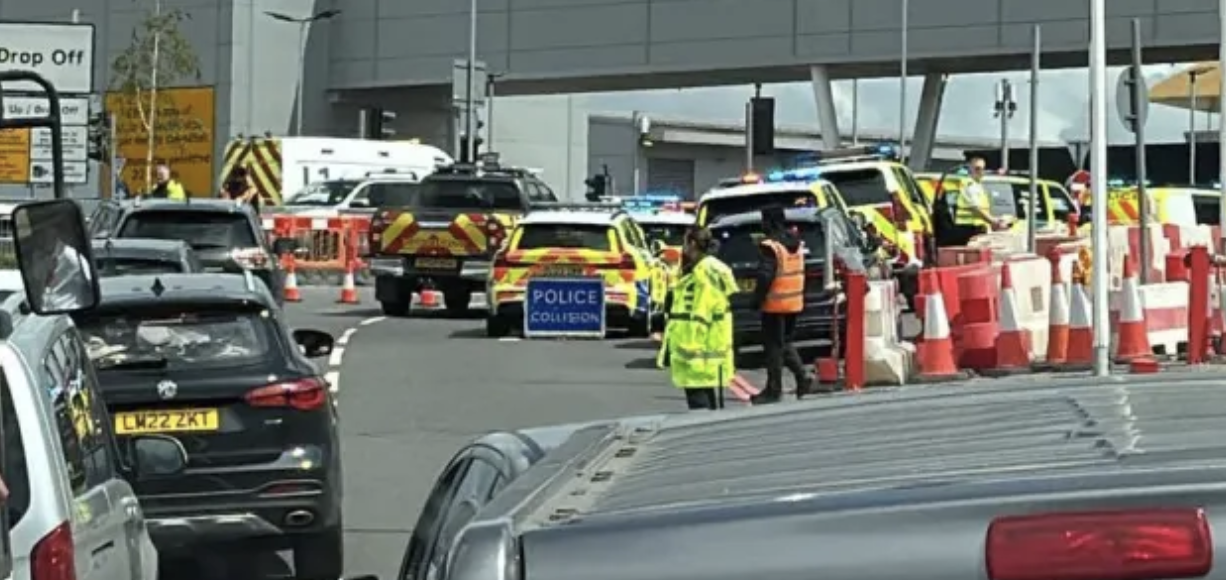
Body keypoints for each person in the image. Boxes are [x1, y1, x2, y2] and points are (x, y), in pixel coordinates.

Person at [656, 227, 739, 411]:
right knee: (707, 399)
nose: (683, 247)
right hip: (705, 346)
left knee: (699, 404)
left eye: (685, 242)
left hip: (696, 348)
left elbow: (699, 313)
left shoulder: (703, 272)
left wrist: (688, 345)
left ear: (692, 243)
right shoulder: (707, 268)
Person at [752, 206, 815, 404]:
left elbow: (765, 275)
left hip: (775, 303)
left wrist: (756, 300)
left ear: (769, 222)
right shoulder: (795, 242)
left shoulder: (770, 246)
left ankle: (773, 390)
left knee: (773, 348)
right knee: (784, 343)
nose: (761, 224)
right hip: (793, 302)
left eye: (763, 220)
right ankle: (802, 378)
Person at [940, 157, 1010, 247]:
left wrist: (992, 221)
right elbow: (975, 208)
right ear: (970, 169)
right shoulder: (969, 185)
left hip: (977, 227)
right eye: (977, 168)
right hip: (967, 228)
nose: (980, 171)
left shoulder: (978, 185)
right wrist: (993, 222)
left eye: (982, 169)